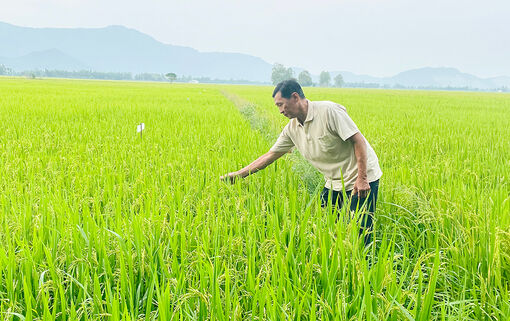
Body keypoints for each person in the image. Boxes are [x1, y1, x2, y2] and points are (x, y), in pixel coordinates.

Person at [221, 79, 382, 245]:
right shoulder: (292, 129)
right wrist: (239, 175)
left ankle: (364, 265)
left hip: (361, 177)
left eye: (281, 104)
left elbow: (358, 141)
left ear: (295, 97)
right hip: (334, 181)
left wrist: (362, 178)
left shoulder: (328, 111)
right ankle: (338, 262)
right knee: (328, 227)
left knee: (360, 232)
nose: (280, 111)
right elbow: (270, 155)